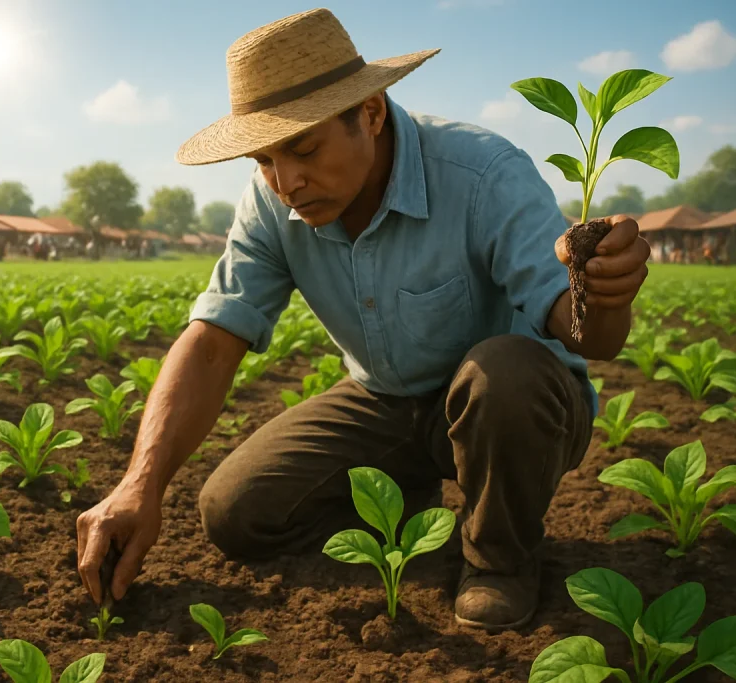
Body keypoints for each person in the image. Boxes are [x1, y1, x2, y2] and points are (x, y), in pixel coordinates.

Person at [75, 8, 650, 632]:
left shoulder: (483, 173)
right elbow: (213, 342)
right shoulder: (270, 203)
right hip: (387, 402)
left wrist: (605, 293)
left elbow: (590, 339)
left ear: (370, 113)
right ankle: (410, 512)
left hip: (514, 409)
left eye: (304, 148)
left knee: (504, 369)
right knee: (236, 512)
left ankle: (500, 559)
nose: (286, 182)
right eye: (263, 159)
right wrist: (139, 484)